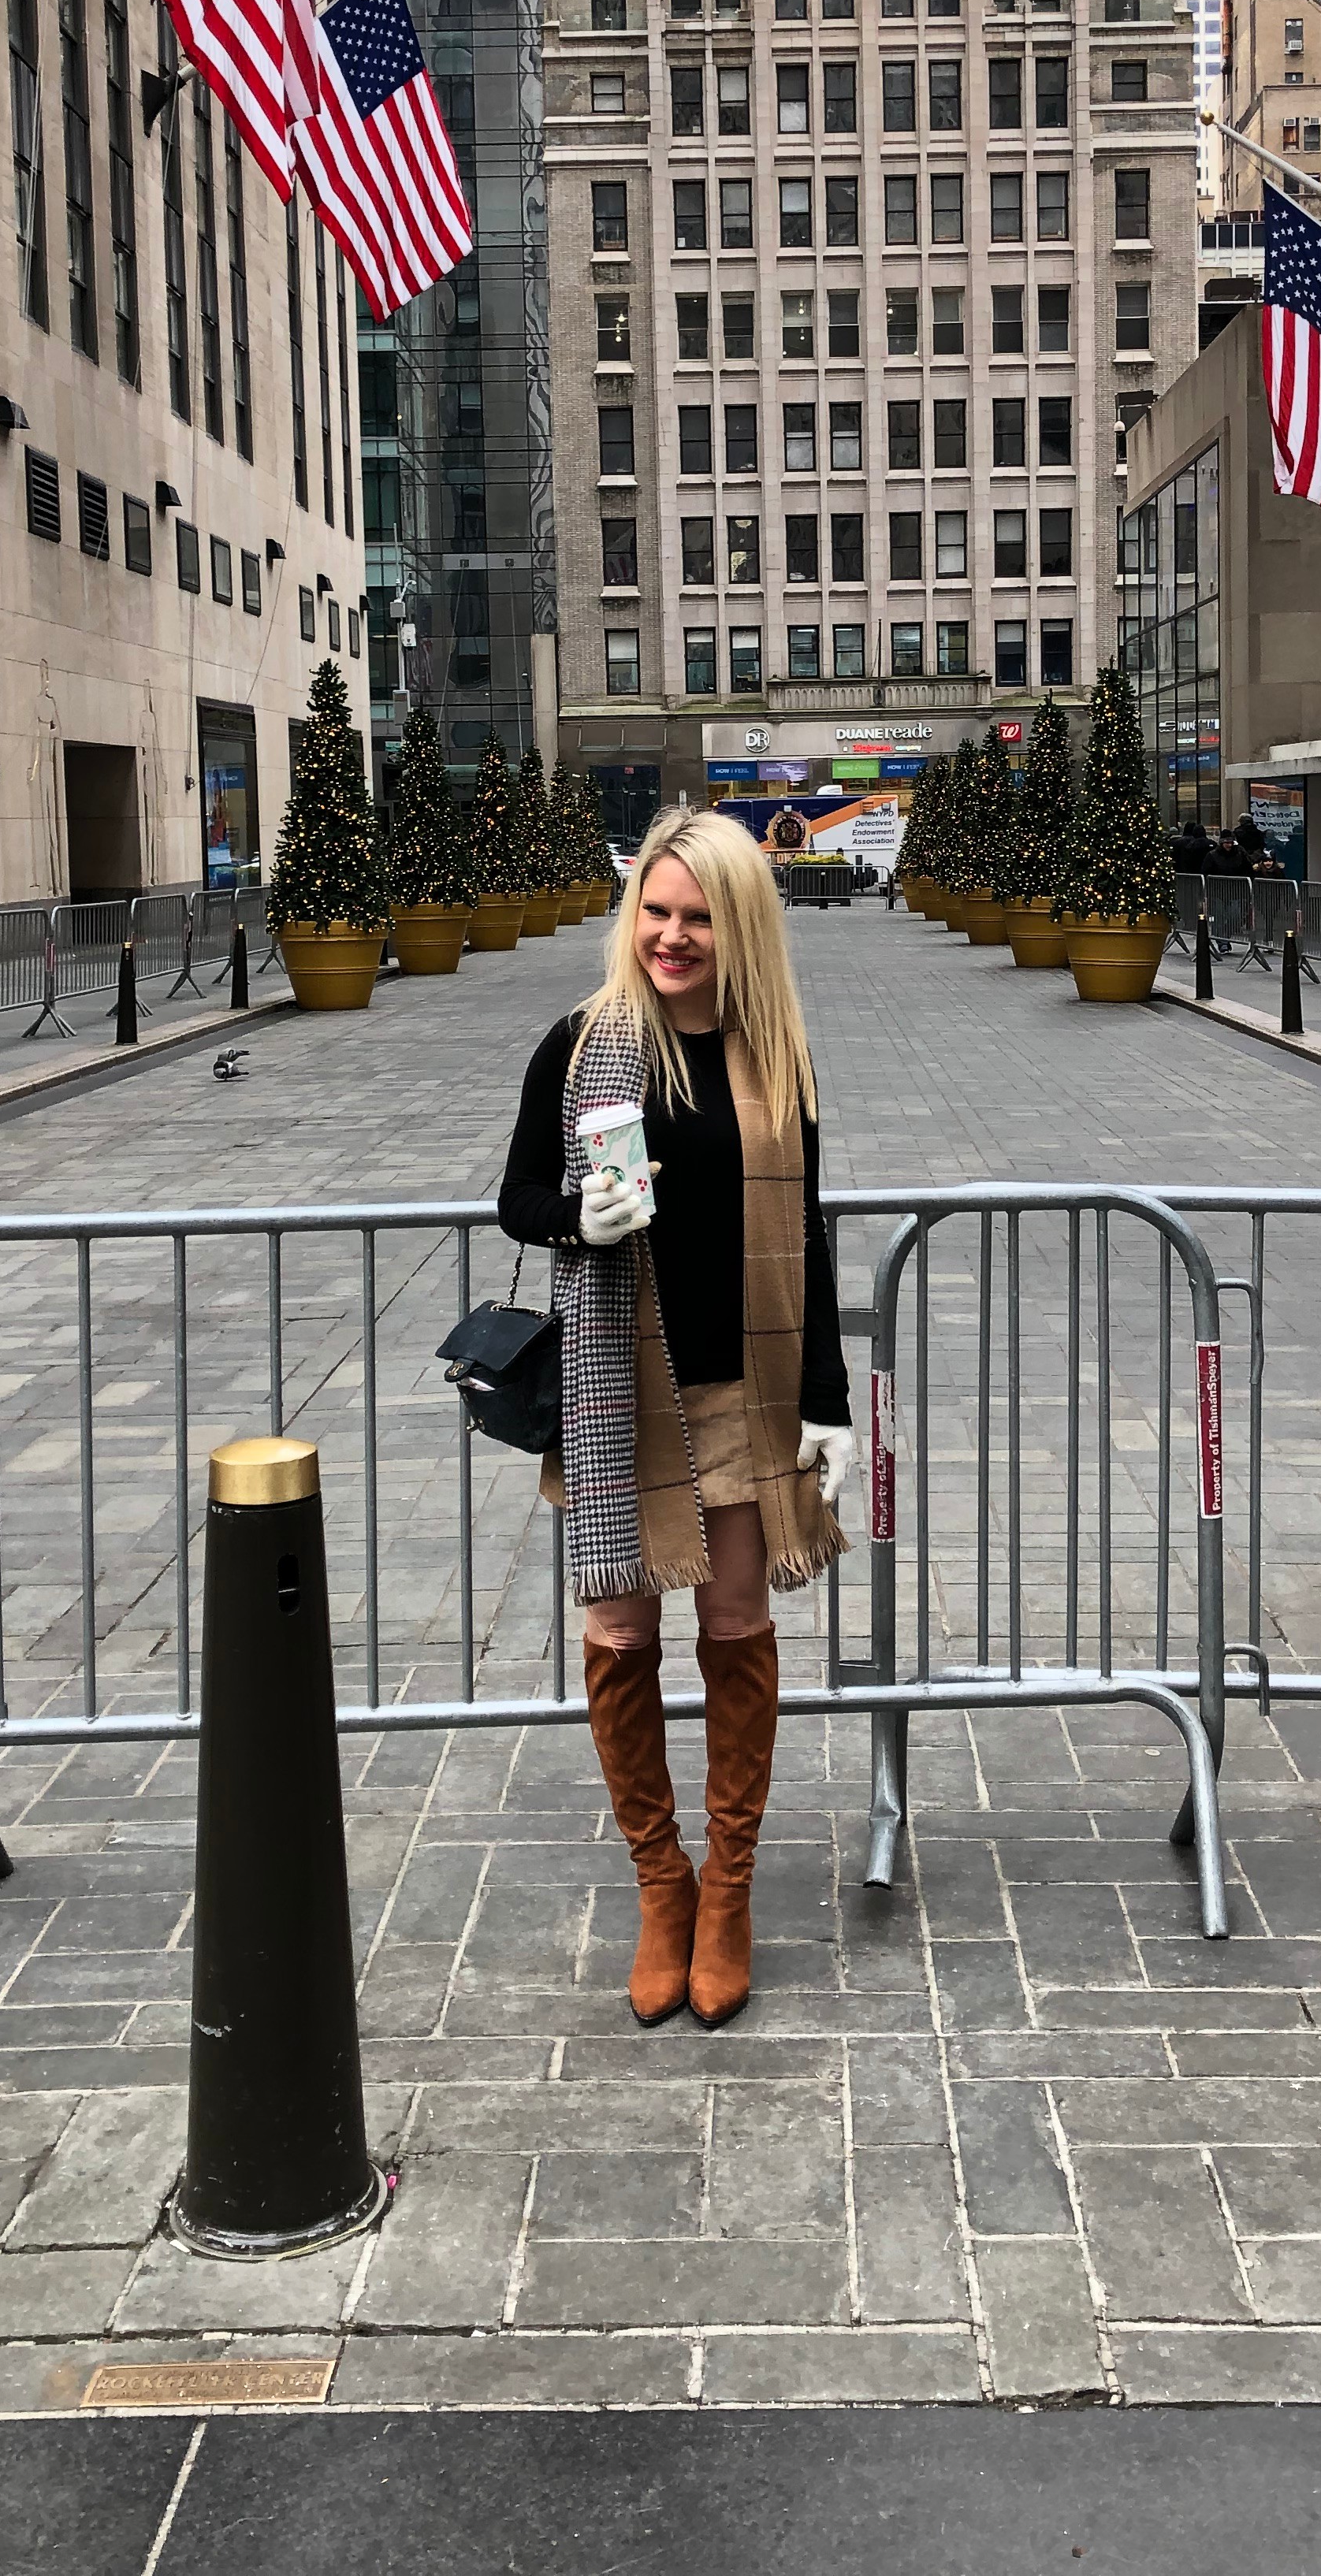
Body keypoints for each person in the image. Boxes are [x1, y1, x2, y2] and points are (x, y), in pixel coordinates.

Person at [499, 808, 854, 2032]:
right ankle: (663, 1885)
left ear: (740, 923)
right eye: (656, 911)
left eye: (699, 916)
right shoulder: (585, 1043)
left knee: (741, 1622)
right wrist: (572, 1221)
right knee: (617, 1628)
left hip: (742, 1396)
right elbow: (515, 1198)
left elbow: (808, 1233)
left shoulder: (776, 1058)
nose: (672, 935)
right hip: (622, 1389)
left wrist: (829, 1406)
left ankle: (731, 1894)